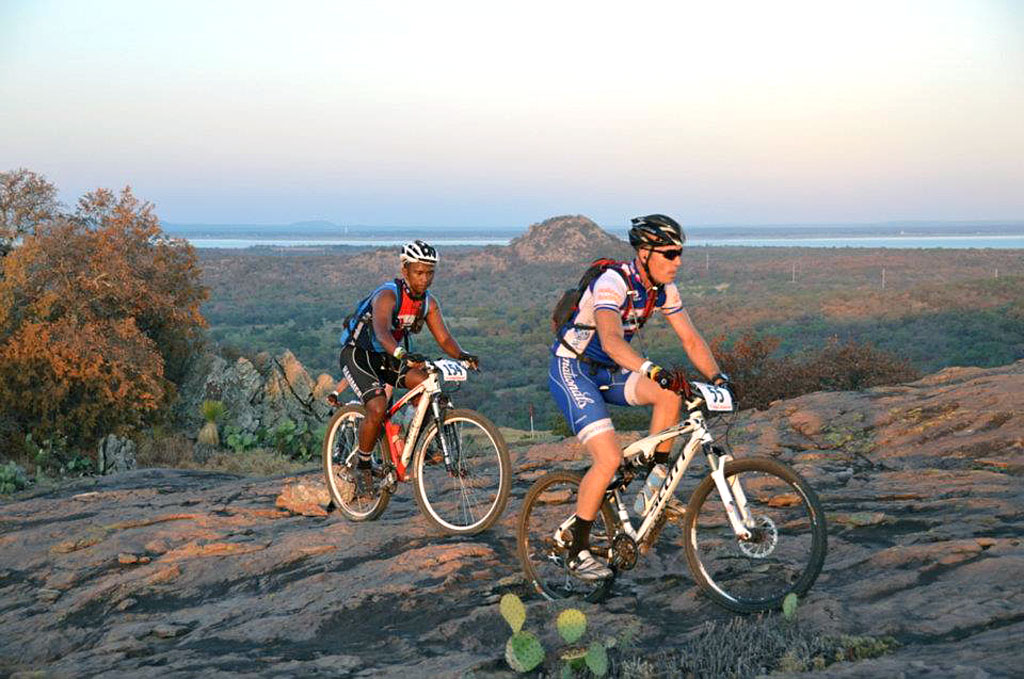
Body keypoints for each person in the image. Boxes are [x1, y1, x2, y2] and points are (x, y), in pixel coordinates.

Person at [549, 214, 730, 580]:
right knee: (609, 458)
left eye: (680, 253)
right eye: (670, 253)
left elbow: (691, 340)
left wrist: (718, 377)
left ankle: (653, 486)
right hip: (574, 370)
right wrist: (650, 369)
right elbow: (612, 340)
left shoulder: (663, 291)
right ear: (645, 253)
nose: (677, 261)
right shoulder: (613, 283)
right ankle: (577, 549)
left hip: (608, 372)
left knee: (670, 396)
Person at [333, 240, 479, 497]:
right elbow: (380, 332)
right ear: (405, 271)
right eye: (419, 272)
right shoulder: (388, 295)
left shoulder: (428, 303)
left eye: (430, 273)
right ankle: (362, 463)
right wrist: (402, 353)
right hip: (359, 353)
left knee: (427, 385)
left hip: (389, 355)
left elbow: (444, 339)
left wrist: (464, 355)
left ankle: (424, 443)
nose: (425, 279)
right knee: (377, 407)